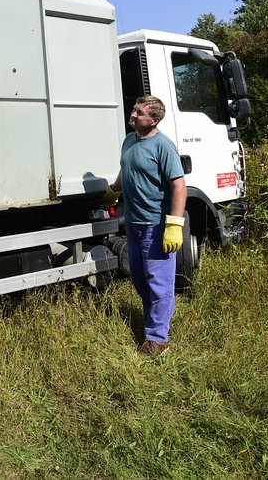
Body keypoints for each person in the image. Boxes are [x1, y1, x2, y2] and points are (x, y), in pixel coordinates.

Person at [102, 95, 186, 357]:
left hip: (156, 225)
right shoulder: (130, 140)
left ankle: (157, 340)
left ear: (155, 120)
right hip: (134, 223)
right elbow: (125, 169)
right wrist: (113, 191)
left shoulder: (163, 146)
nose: (134, 115)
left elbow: (179, 186)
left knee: (159, 282)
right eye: (134, 110)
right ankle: (153, 323)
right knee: (140, 279)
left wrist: (174, 225)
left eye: (140, 113)